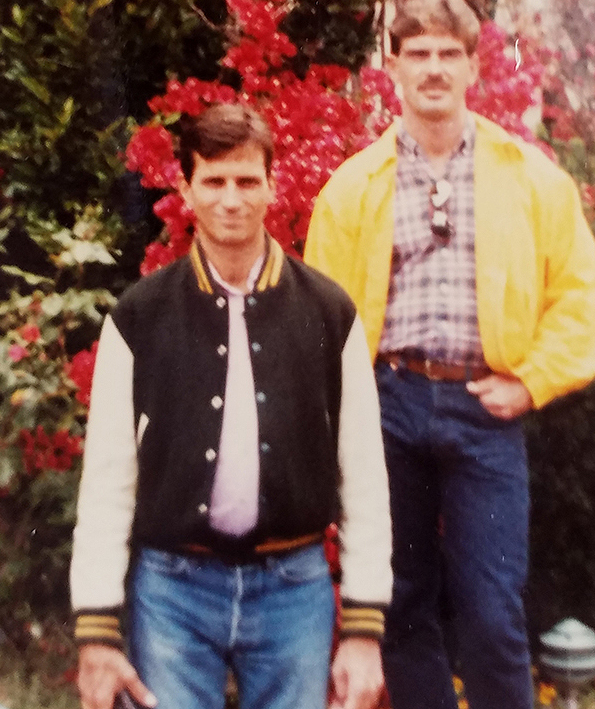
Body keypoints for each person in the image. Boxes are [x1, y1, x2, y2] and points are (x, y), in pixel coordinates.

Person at [305, 0, 595, 709]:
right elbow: (318, 315)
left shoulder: (529, 177)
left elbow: (575, 296)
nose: (432, 69)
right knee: (398, 601)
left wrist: (529, 383)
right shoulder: (351, 188)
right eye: (417, 55)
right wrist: (347, 405)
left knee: (490, 610)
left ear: (473, 66)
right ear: (393, 68)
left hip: (484, 410)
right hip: (388, 406)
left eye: (448, 54)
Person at [71, 104, 392, 709]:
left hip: (294, 591)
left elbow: (364, 477)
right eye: (214, 181)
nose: (232, 199)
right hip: (171, 591)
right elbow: (109, 480)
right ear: (186, 190)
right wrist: (97, 627)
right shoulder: (140, 316)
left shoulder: (328, 313)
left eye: (247, 181)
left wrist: (363, 624)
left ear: (272, 185)